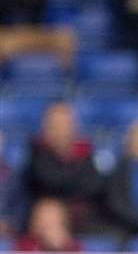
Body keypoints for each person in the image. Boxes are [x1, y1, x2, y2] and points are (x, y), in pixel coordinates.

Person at [24, 100, 104, 234]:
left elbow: (94, 185)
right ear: (46, 125)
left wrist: (70, 180)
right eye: (55, 123)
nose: (61, 128)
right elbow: (49, 180)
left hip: (83, 218)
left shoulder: (86, 151)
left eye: (65, 123)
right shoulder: (36, 150)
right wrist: (77, 177)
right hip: (47, 219)